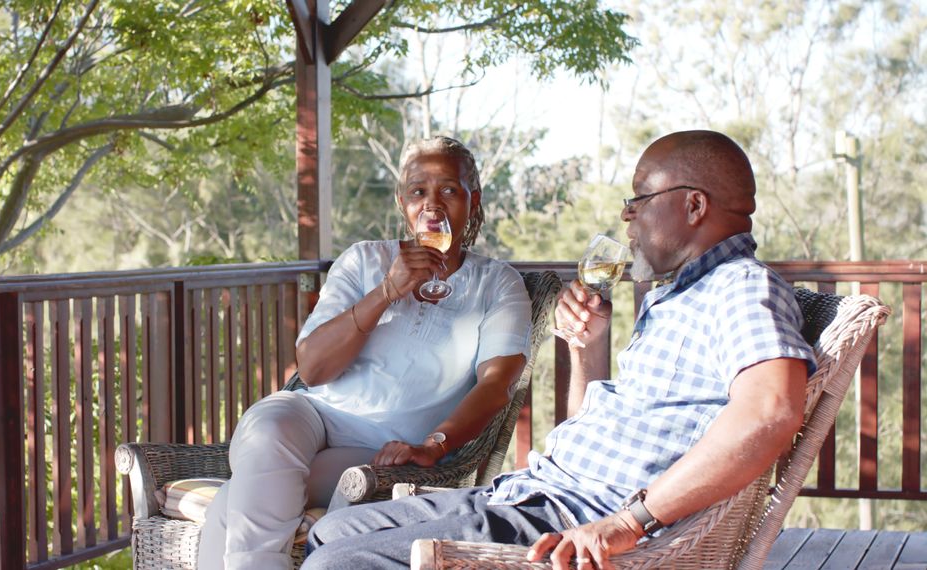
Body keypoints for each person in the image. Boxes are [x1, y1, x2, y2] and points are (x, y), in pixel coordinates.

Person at [302, 129, 817, 570]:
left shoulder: (742, 287)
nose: (626, 215)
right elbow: (587, 428)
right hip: (532, 493)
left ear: (694, 205)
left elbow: (770, 413)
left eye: (638, 200)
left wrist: (629, 522)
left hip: (566, 519)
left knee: (335, 562)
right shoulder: (673, 297)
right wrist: (587, 349)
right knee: (333, 531)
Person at [197, 136, 533, 569]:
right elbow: (313, 370)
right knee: (269, 425)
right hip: (312, 416)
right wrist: (386, 292)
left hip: (385, 446)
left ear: (473, 199)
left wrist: (433, 445)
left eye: (448, 190)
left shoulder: (498, 283)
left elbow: (496, 385)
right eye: (418, 192)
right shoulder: (364, 260)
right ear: (401, 201)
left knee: (239, 496)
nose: (431, 205)